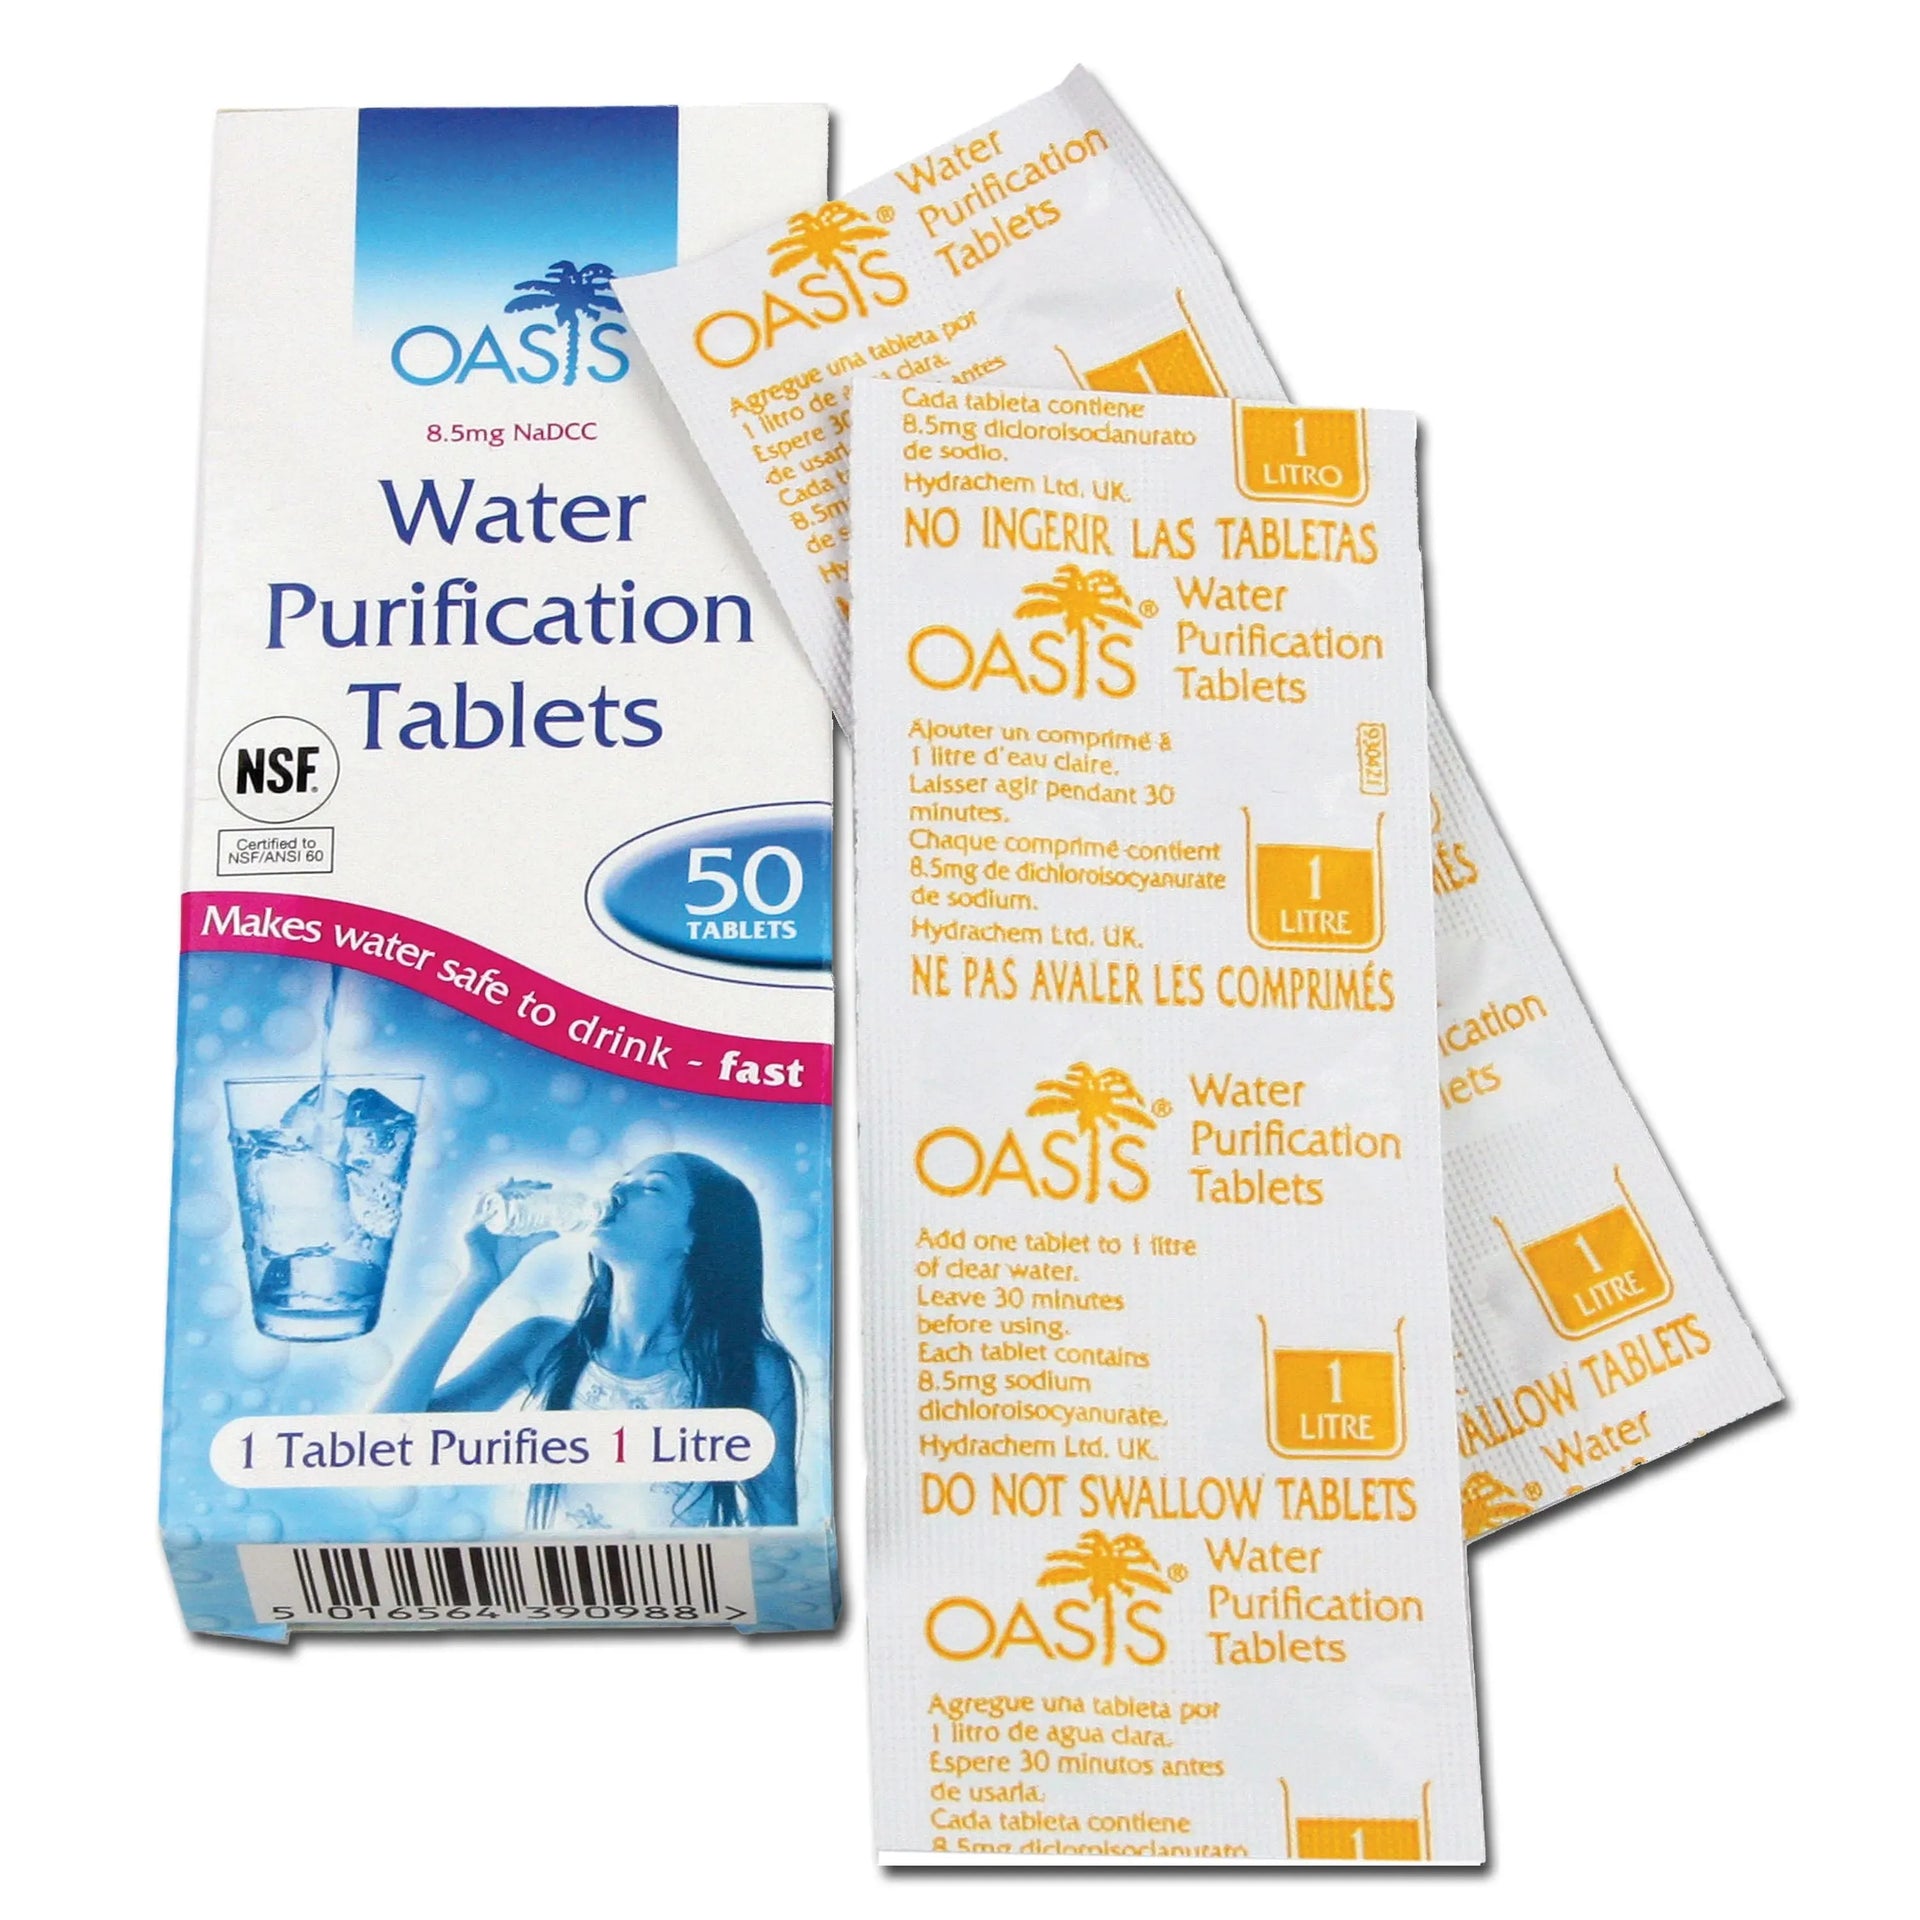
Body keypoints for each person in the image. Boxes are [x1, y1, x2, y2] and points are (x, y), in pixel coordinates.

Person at [380, 1152, 798, 1528]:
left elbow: (776, 1528)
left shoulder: (751, 1366)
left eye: (652, 1187)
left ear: (695, 1236)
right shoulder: (543, 1345)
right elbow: (382, 1445)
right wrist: (479, 1280)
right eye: (622, 1180)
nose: (618, 1192)